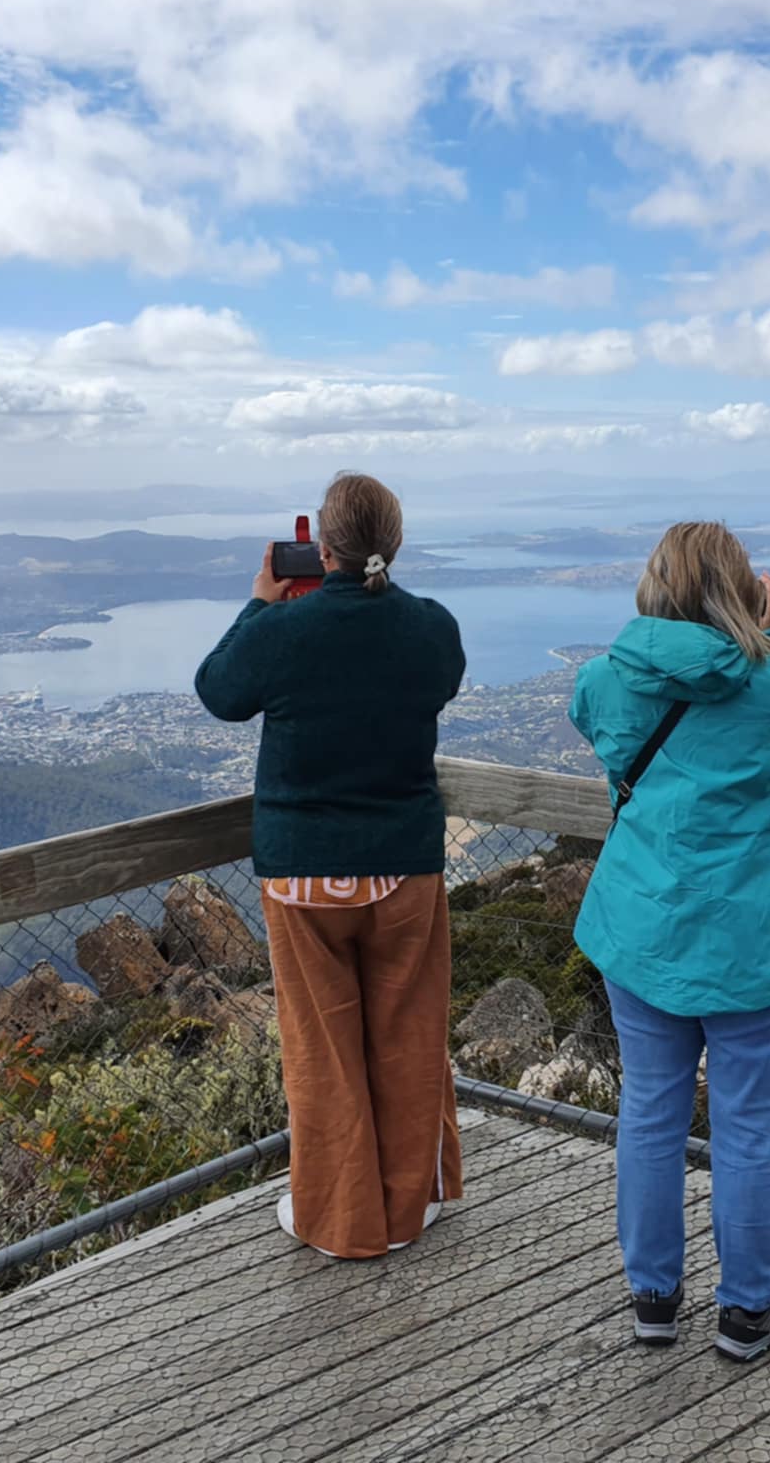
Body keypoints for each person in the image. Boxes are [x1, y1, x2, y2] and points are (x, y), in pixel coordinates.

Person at [568, 521, 770, 1361]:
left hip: (644, 932)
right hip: (756, 945)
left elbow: (602, 725)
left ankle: (652, 1300)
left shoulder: (607, 679)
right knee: (745, 1127)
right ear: (742, 591)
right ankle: (746, 1310)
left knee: (650, 1115)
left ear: (655, 584)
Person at [194, 472, 467, 1260]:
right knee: (407, 1036)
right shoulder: (432, 628)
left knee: (322, 1049)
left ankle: (344, 1222)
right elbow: (434, 683)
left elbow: (219, 690)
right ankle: (412, 1204)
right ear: (397, 542)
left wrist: (261, 604)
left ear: (320, 550)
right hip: (405, 867)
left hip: (303, 871)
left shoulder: (286, 631)